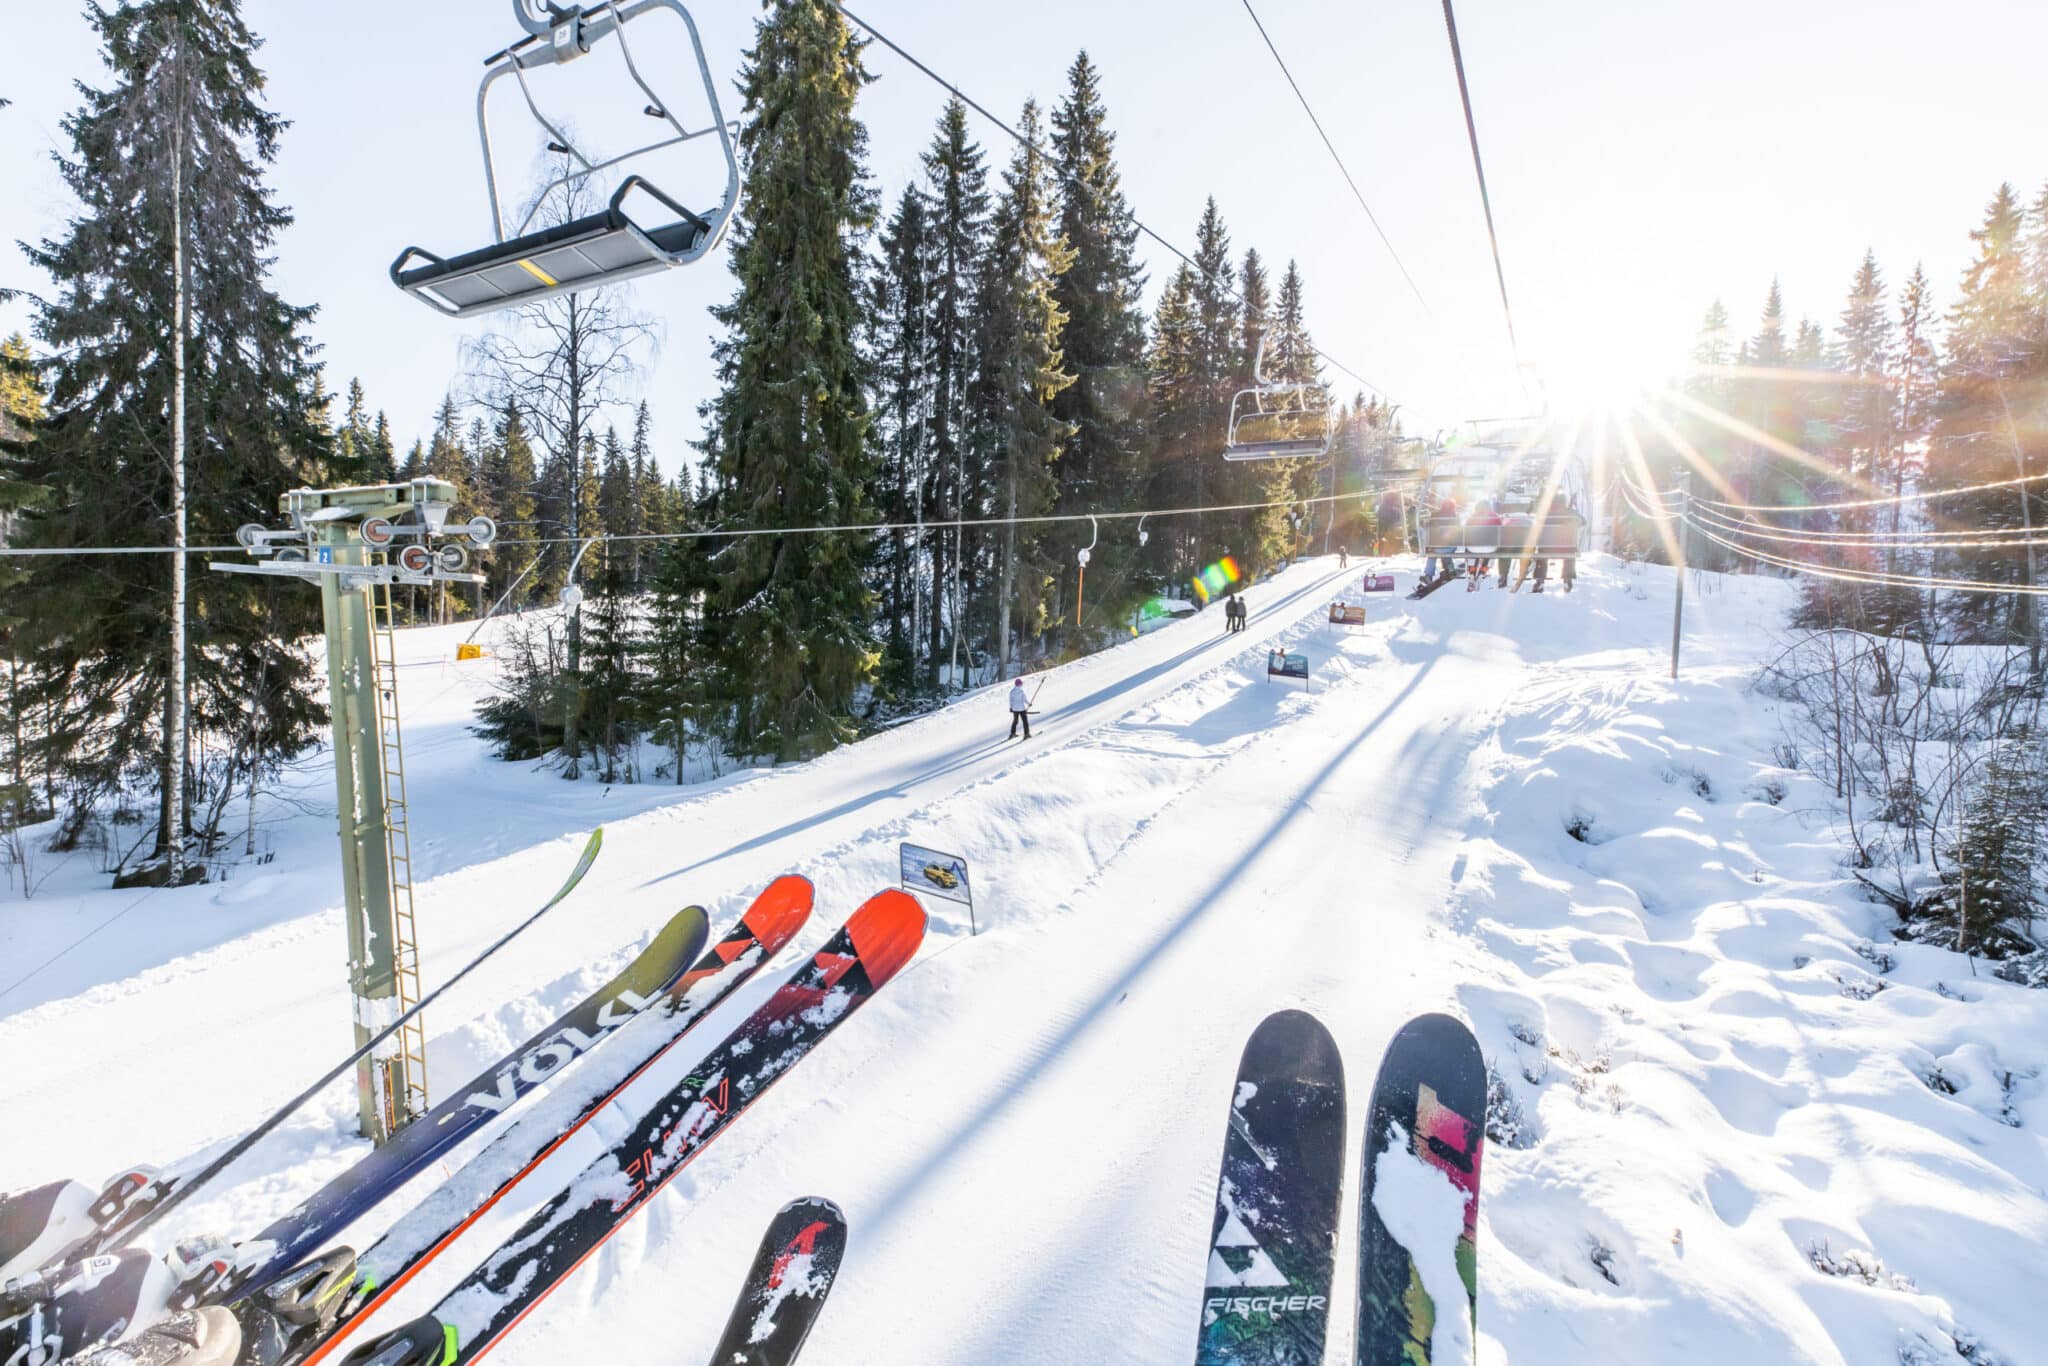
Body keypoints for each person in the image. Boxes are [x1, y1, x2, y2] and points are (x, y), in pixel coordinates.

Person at [1008, 676, 1032, 740]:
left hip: (1015, 709)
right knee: (1025, 721)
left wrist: (1011, 708)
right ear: (1020, 684)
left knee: (1015, 721)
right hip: (1021, 709)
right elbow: (1024, 699)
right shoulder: (1021, 691)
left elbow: (1011, 700)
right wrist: (1029, 703)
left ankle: (1012, 733)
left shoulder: (1012, 691)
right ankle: (1026, 734)